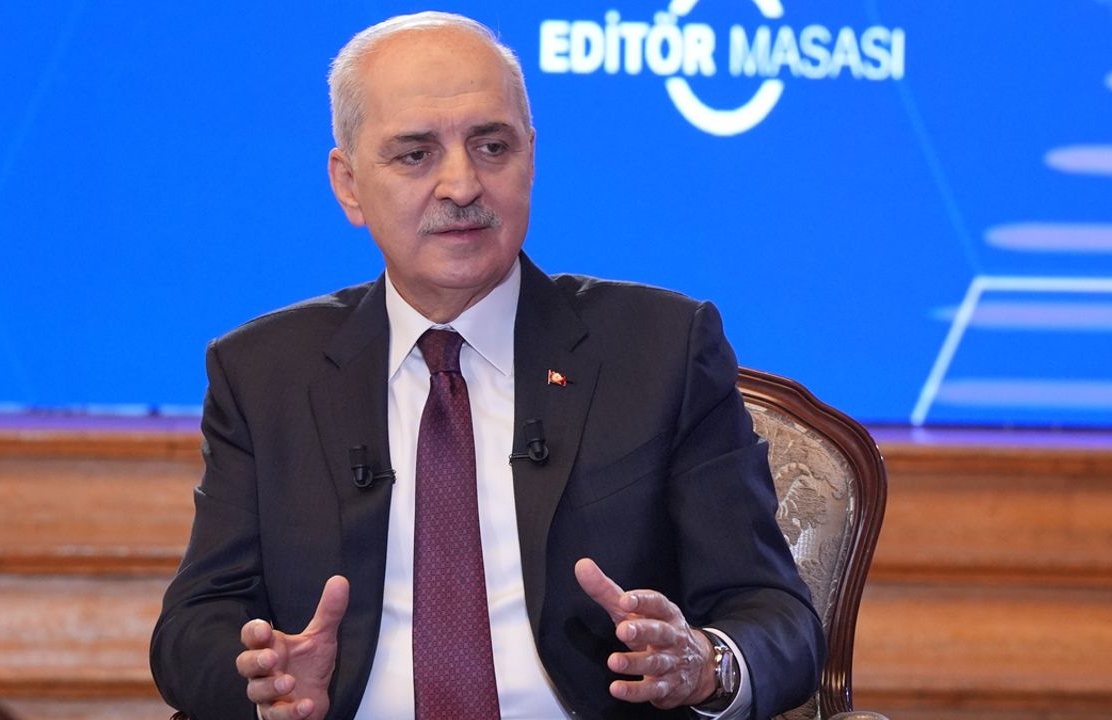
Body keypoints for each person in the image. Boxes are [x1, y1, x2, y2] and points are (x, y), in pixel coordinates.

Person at [150, 11, 823, 720]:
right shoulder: (264, 374)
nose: (462, 184)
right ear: (348, 184)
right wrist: (264, 679)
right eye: (416, 155)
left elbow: (776, 615)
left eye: (491, 146)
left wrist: (704, 662)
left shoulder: (662, 350)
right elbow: (193, 626)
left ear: (531, 155)